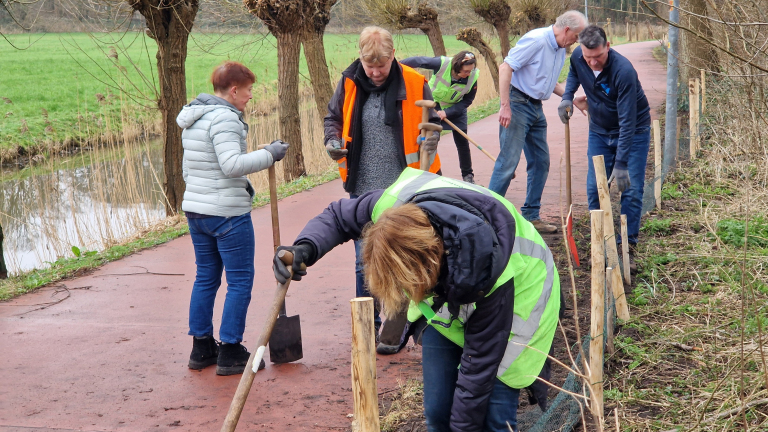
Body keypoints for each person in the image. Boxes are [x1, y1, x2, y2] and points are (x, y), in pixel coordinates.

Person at [273, 168, 561, 432]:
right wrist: (305, 247)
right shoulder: (396, 209)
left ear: (427, 269)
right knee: (438, 412)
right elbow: (339, 215)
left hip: (521, 298)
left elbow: (476, 374)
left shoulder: (491, 271)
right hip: (455, 285)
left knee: (495, 415)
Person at [323, 26, 441, 352]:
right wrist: (332, 141)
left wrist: (433, 133)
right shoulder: (349, 82)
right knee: (365, 258)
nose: (374, 73)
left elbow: (434, 123)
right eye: (369, 66)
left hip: (405, 185)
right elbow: (332, 119)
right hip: (362, 185)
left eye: (381, 66)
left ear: (393, 57)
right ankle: (368, 322)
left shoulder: (416, 83)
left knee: (403, 253)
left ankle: (396, 325)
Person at [176, 61, 290, 375]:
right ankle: (229, 350)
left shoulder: (195, 117)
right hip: (227, 214)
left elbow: (199, 167)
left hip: (197, 210)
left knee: (206, 277)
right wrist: (271, 154)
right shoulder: (225, 118)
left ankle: (201, 349)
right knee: (239, 281)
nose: (250, 97)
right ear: (235, 90)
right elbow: (231, 165)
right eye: (249, 90)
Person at [558, 25, 650, 271]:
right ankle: (600, 243)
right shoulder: (580, 57)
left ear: (607, 47)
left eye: (598, 57)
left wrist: (621, 163)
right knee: (594, 189)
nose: (593, 63)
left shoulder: (623, 72)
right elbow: (575, 72)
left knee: (630, 189)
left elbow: (628, 122)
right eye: (588, 58)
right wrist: (567, 96)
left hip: (633, 131)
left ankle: (626, 247)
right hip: (599, 130)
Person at [490, 10, 588, 234]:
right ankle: (487, 218)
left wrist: (571, 99)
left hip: (535, 108)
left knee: (541, 162)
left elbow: (547, 82)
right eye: (577, 35)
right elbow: (505, 68)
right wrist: (505, 106)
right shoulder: (536, 41)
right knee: (508, 163)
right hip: (517, 103)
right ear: (566, 30)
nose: (577, 40)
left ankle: (531, 216)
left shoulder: (559, 49)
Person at [401, 51, 479, 183]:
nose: (468, 74)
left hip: (455, 109)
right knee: (430, 139)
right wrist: (395, 67)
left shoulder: (473, 77)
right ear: (457, 66)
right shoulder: (442, 64)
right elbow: (419, 60)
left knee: (462, 142)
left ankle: (468, 176)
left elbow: (467, 100)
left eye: (470, 71)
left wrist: (447, 112)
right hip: (433, 106)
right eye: (466, 71)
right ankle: (430, 173)